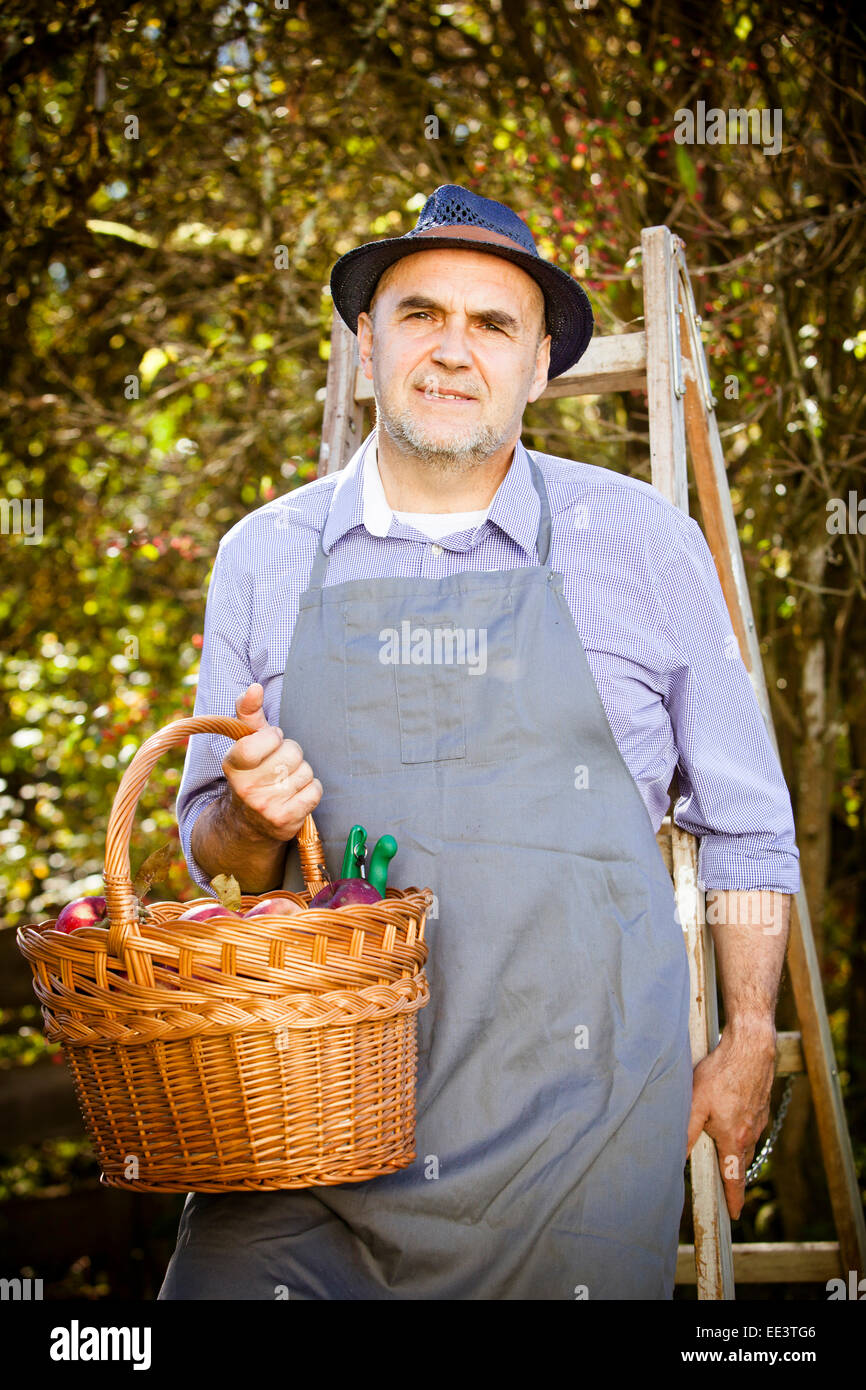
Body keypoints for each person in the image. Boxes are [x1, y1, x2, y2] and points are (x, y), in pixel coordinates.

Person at [158, 184, 799, 1300]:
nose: (452, 352)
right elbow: (215, 861)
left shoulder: (642, 546)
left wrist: (747, 1038)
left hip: (574, 1138)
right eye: (420, 315)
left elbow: (743, 823)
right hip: (306, 1132)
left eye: (492, 324)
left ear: (538, 363)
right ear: (367, 341)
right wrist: (248, 818)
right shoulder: (264, 553)